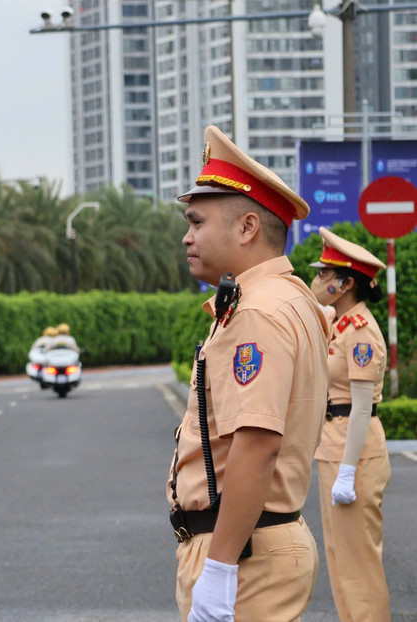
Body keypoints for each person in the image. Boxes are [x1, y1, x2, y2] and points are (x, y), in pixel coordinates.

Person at [167, 125, 329, 621]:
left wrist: (218, 572)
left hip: (243, 552)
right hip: (254, 544)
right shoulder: (292, 298)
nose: (186, 236)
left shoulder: (258, 312)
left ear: (247, 227)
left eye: (197, 222)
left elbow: (257, 444)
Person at [309, 227, 391, 622]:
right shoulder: (339, 324)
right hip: (334, 446)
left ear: (345, 285)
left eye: (325, 275)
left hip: (353, 455)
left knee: (359, 565)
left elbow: (360, 409)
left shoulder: (361, 334)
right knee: (341, 561)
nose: (317, 280)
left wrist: (347, 471)